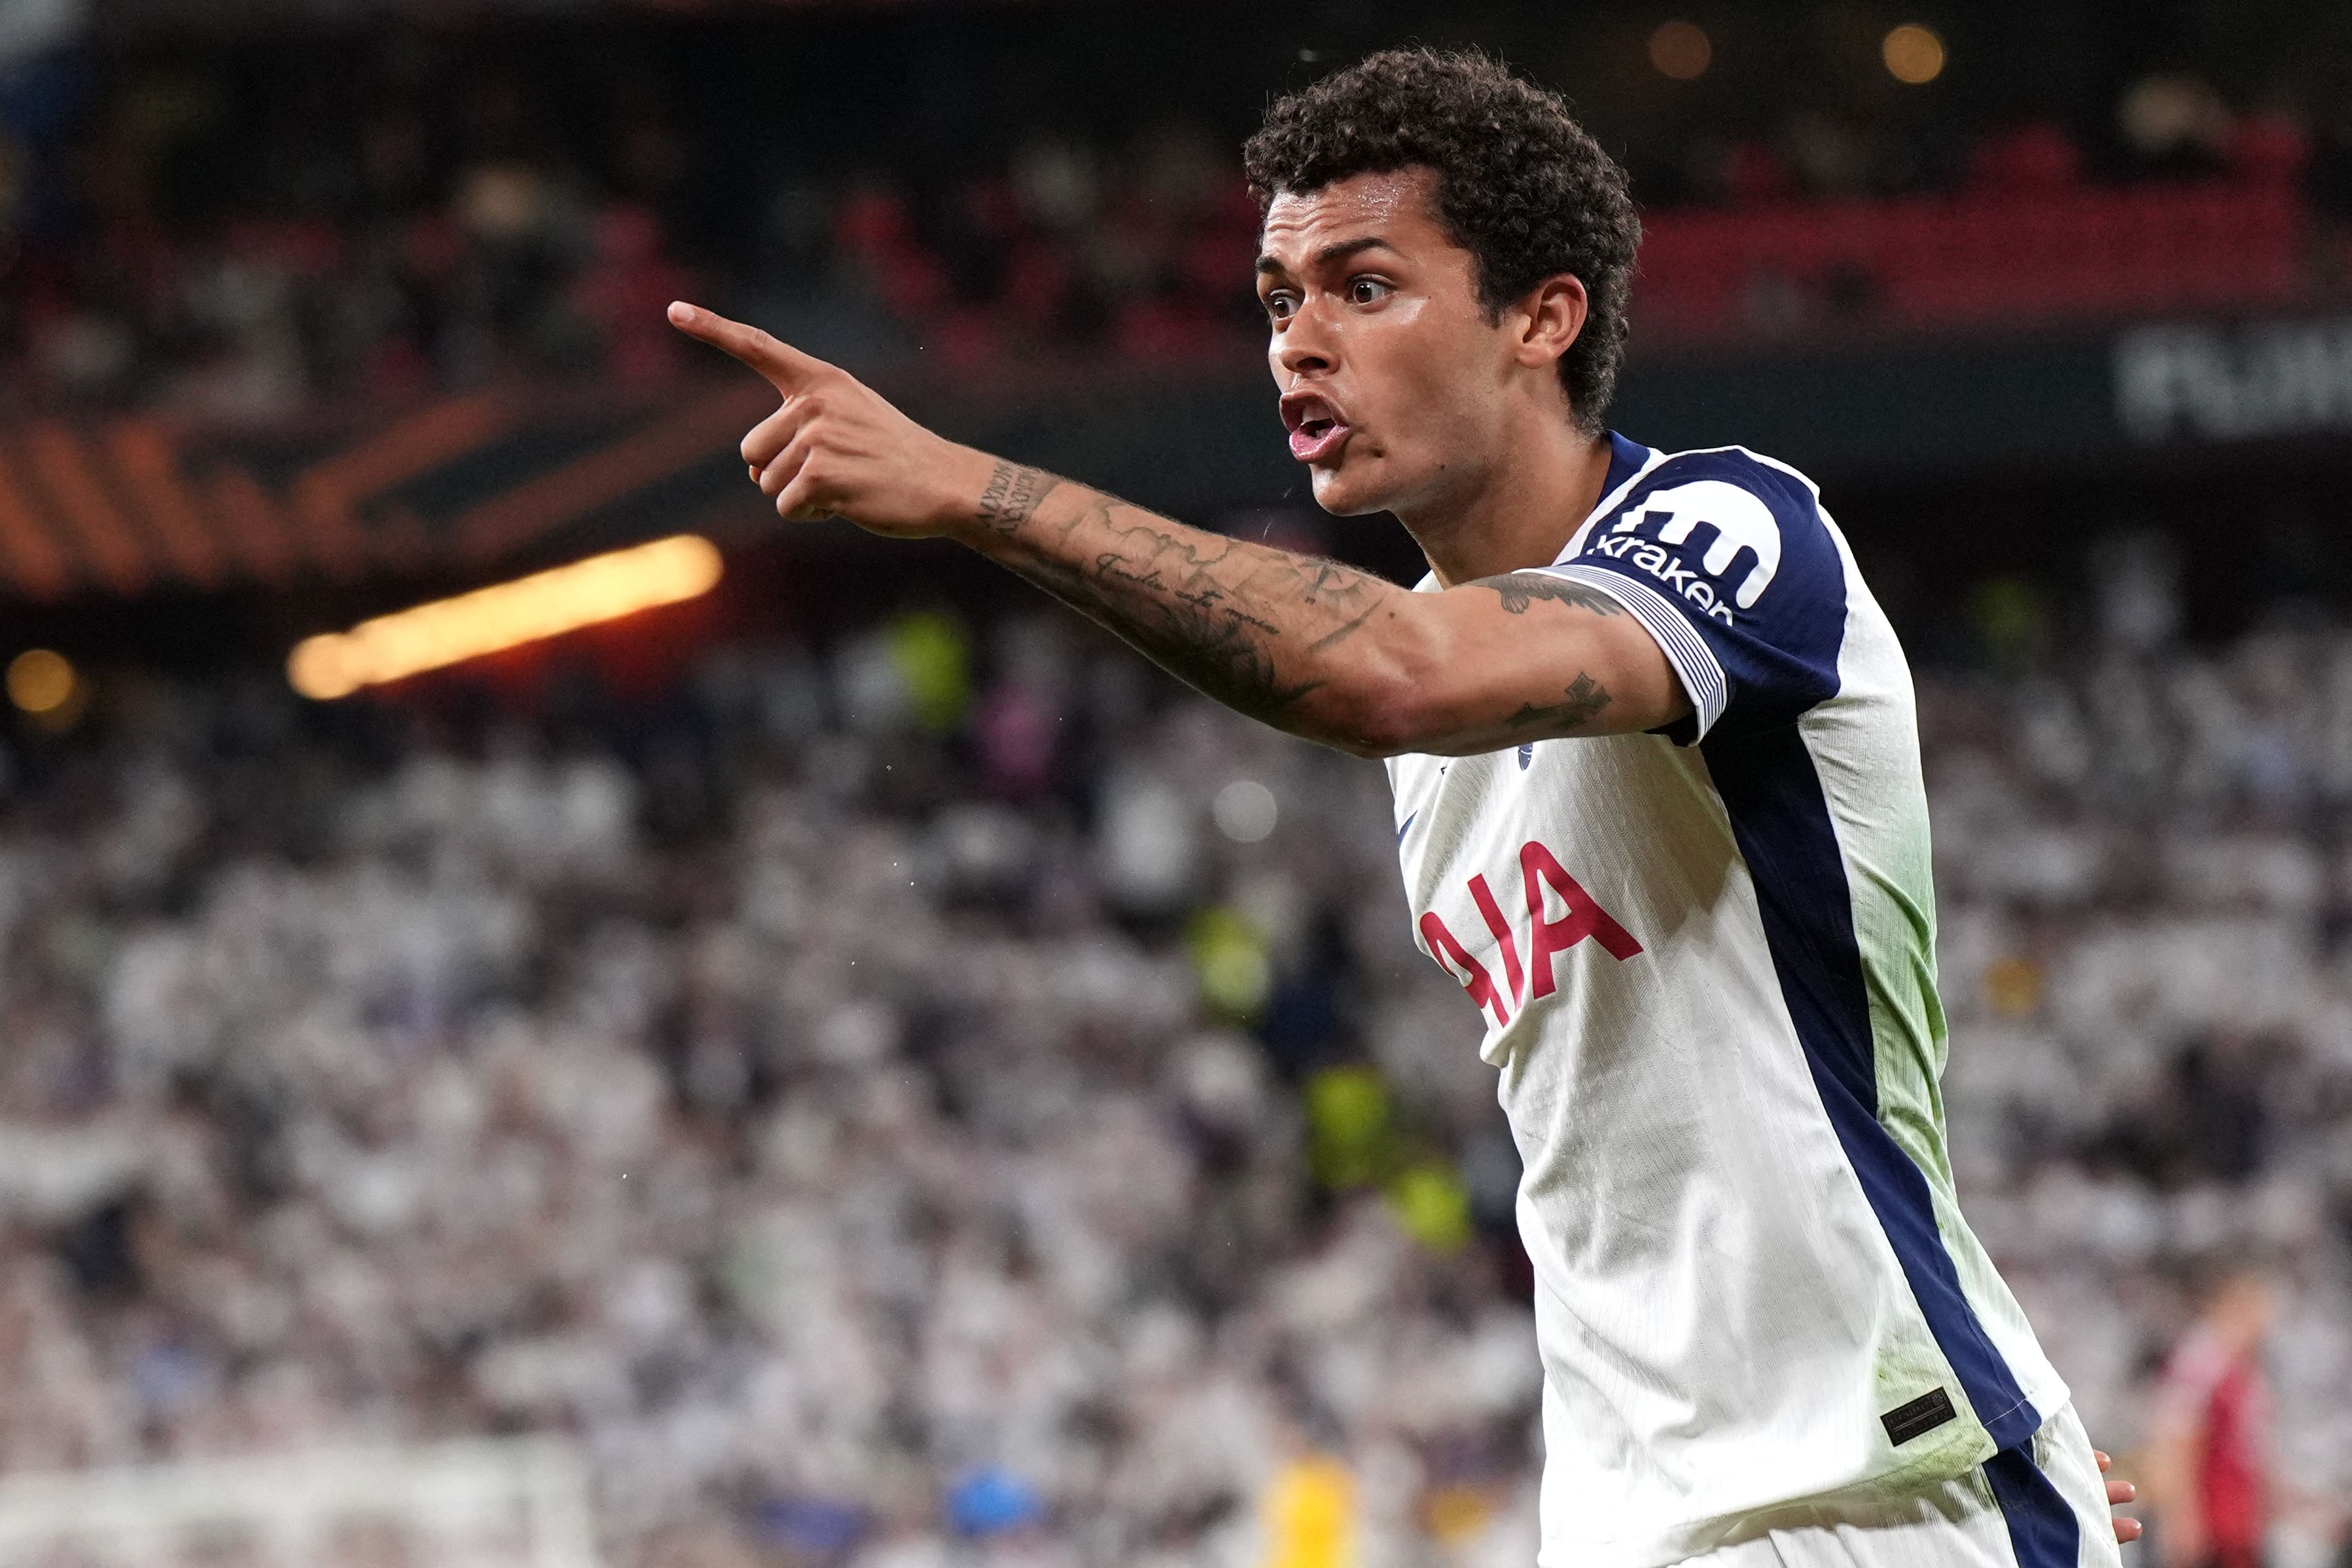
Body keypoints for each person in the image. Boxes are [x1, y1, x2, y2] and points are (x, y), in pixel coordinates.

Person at [668, 45, 2143, 1568]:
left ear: (1539, 316)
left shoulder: (1726, 527)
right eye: (1276, 301)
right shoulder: (1431, 756)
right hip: (1651, 1522)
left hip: (1871, 1506)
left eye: (1360, 286)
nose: (1297, 344)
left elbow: (1396, 668)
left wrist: (973, 487)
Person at [2147, 1270, 2275, 1568]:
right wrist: (2182, 1519)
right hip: (2214, 1521)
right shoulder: (2202, 1362)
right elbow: (2175, 1440)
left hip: (2239, 1521)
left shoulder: (2244, 1367)